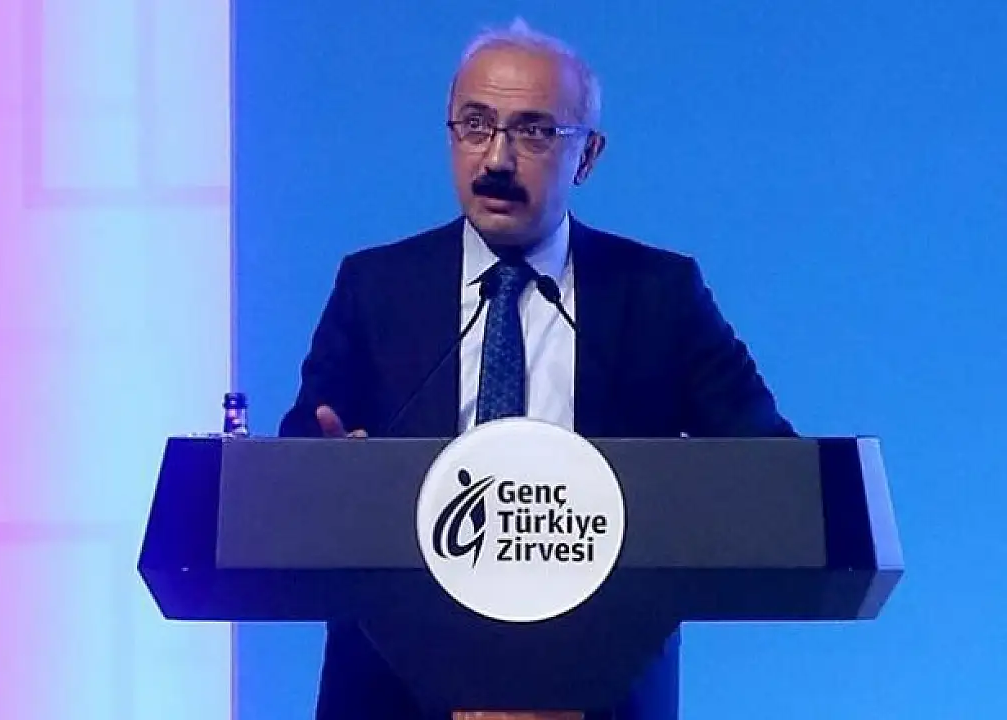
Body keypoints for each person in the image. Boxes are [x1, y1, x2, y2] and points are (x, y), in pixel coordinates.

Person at [278, 18, 796, 720]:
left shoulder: (659, 295)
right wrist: (332, 478)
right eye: (475, 125)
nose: (496, 158)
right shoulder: (374, 287)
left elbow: (770, 473)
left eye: (534, 132)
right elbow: (298, 465)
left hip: (597, 693)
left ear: (588, 157)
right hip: (394, 695)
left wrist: (679, 491)